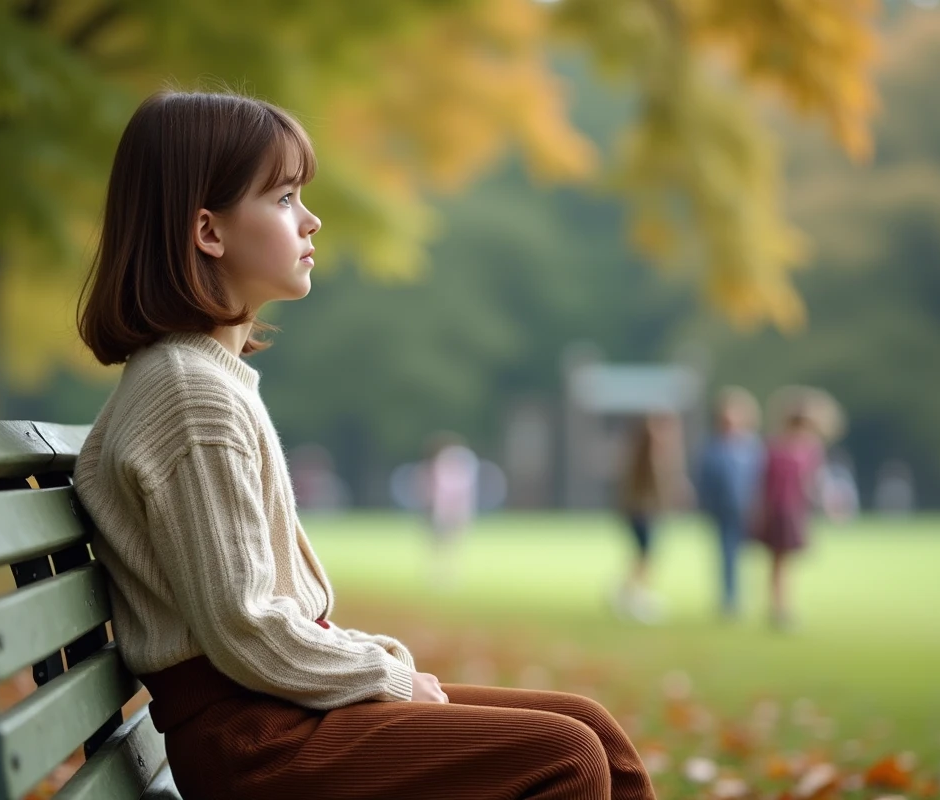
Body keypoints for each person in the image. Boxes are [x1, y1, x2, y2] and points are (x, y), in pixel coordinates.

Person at [73, 91, 655, 800]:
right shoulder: (190, 396)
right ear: (208, 231)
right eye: (284, 198)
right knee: (566, 756)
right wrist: (389, 678)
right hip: (255, 744)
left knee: (594, 730)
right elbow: (244, 627)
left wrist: (378, 661)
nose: (310, 219)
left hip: (274, 709)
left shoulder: (202, 379)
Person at [754, 406, 825, 630]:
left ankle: (783, 607)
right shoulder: (774, 448)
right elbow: (764, 482)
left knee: (787, 563)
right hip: (776, 510)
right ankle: (778, 608)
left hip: (795, 511)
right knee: (777, 562)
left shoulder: (811, 449)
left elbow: (811, 484)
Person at [614, 412, 688, 624]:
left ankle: (630, 592)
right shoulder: (651, 453)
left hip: (641, 510)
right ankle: (634, 595)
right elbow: (658, 485)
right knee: (646, 555)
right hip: (644, 511)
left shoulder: (639, 451)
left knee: (644, 555)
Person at [696, 387, 763, 619]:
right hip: (723, 511)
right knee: (727, 555)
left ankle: (749, 597)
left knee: (750, 556)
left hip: (749, 509)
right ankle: (730, 599)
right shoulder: (713, 447)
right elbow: (705, 480)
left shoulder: (751, 446)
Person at [418, 432, 481, 589]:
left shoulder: (450, 462)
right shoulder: (461, 462)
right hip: (451, 509)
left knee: (445, 543)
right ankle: (443, 573)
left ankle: (444, 574)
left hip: (448, 509)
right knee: (444, 543)